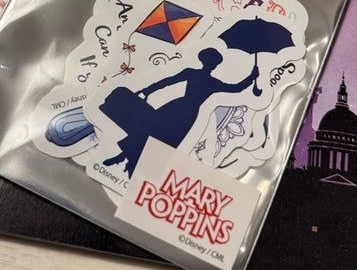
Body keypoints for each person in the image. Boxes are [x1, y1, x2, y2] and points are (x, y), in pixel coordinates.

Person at [100, 47, 259, 176]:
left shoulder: (212, 82)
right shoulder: (193, 73)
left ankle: (137, 165)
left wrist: (252, 77)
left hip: (186, 114)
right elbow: (168, 81)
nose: (211, 64)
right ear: (207, 61)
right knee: (150, 129)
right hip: (178, 109)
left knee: (164, 140)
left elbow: (235, 89)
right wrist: (147, 90)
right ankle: (122, 156)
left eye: (212, 62)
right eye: (210, 61)